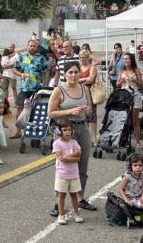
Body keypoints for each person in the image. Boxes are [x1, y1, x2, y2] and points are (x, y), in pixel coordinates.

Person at [47, 61, 96, 217]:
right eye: (70, 72)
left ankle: (80, 197)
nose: (74, 75)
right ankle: (58, 202)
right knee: (63, 165)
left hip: (82, 128)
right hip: (66, 130)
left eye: (76, 72)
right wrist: (70, 111)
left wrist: (87, 109)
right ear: (65, 74)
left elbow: (90, 108)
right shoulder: (58, 90)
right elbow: (51, 113)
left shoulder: (84, 88)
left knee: (82, 164)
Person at [11, 40, 49, 139]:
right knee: (20, 108)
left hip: (37, 88)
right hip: (25, 88)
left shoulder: (41, 58)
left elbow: (46, 71)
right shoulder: (22, 57)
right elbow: (14, 69)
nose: (32, 47)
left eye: (34, 46)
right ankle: (18, 131)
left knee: (37, 110)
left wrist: (45, 85)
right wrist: (21, 74)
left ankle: (36, 130)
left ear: (36, 47)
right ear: (27, 46)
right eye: (30, 46)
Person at [51, 118, 85, 225]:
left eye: (69, 130)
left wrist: (68, 156)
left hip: (73, 174)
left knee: (74, 195)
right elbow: (60, 158)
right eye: (65, 130)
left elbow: (79, 155)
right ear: (58, 131)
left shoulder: (74, 142)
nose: (68, 132)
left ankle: (76, 213)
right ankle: (61, 215)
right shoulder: (57, 143)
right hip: (62, 174)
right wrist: (72, 156)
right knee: (61, 195)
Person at [116, 53, 143, 150]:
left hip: (135, 95)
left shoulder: (136, 71)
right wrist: (121, 81)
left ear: (131, 60)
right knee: (123, 119)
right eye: (124, 59)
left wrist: (135, 80)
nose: (125, 61)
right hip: (124, 96)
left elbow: (141, 85)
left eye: (127, 59)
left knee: (135, 120)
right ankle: (122, 140)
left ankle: (138, 143)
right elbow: (117, 84)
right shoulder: (121, 71)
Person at [77, 50, 99, 146]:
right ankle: (85, 138)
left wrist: (80, 81)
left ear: (88, 58)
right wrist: (84, 79)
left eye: (84, 57)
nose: (82, 59)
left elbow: (90, 80)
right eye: (81, 57)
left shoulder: (92, 67)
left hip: (90, 92)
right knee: (82, 115)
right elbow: (74, 80)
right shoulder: (78, 67)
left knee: (92, 116)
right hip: (80, 92)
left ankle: (94, 138)